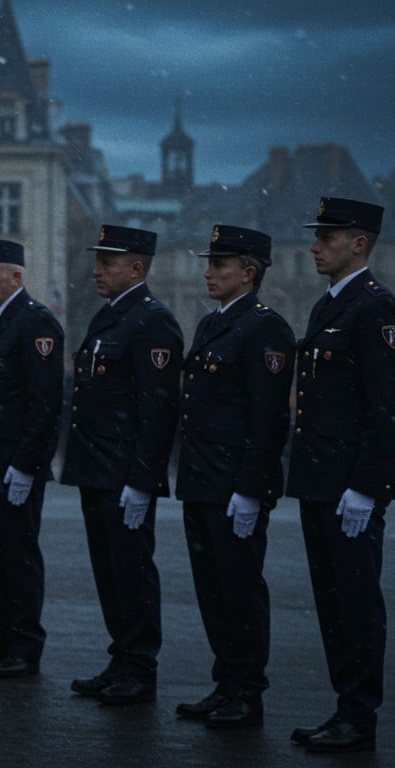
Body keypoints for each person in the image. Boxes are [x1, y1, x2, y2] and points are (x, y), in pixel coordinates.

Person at [172, 224, 294, 731]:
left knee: (240, 591)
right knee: (213, 591)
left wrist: (250, 488)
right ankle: (226, 684)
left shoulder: (266, 329)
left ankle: (247, 692)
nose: (208, 272)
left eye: (219, 265)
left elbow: (269, 419)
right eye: (209, 263)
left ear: (248, 273)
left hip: (234, 486)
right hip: (202, 480)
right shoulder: (212, 325)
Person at [286, 197, 393, 754]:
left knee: (355, 601)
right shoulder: (331, 305)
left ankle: (359, 715)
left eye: (328, 237)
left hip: (349, 486)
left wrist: (368, 486)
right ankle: (345, 708)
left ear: (359, 244)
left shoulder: (373, 309)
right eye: (317, 235)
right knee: (331, 602)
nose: (314, 245)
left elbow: (385, 406)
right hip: (320, 480)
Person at [61, 225, 181, 707]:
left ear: (136, 268)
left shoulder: (152, 322)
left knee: (132, 573)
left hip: (124, 473)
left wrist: (143, 478)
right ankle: (121, 656)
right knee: (109, 573)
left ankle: (139, 666)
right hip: (97, 469)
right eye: (98, 260)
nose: (96, 269)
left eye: (108, 262)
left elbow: (159, 409)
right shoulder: (110, 317)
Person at [0, 239, 63, 681]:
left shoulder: (36, 323)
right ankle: (2, 632)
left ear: (17, 278)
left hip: (15, 460)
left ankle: (25, 642)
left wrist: (28, 464)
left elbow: (43, 404)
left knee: (18, 553)